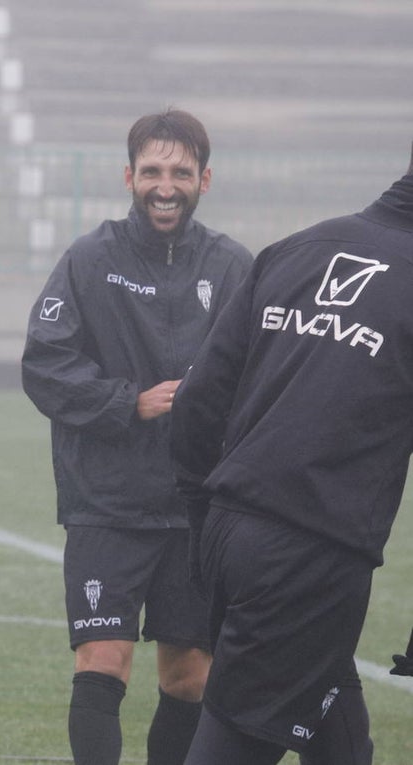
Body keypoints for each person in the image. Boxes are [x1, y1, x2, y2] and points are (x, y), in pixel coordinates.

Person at [21, 109, 254, 765]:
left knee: (190, 676)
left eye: (181, 172)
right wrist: (130, 402)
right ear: (129, 177)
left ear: (204, 179)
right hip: (108, 504)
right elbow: (44, 364)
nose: (165, 186)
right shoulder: (89, 259)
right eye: (152, 170)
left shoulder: (233, 266)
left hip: (197, 508)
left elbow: (260, 374)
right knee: (103, 660)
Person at [170, 142, 413, 764]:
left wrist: (204, 521)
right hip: (310, 560)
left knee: (337, 731)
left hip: (233, 532)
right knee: (235, 744)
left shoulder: (299, 248)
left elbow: (197, 401)